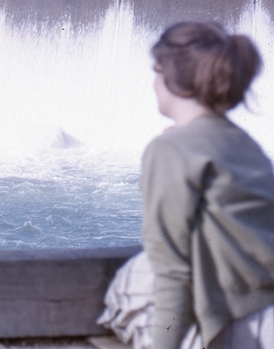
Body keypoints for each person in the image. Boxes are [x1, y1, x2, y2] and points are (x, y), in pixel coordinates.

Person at [100, 21, 274, 349]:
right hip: (265, 311)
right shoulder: (245, 144)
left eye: (156, 71)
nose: (153, 83)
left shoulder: (170, 151)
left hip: (241, 332)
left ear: (171, 78)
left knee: (130, 283)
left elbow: (173, 272)